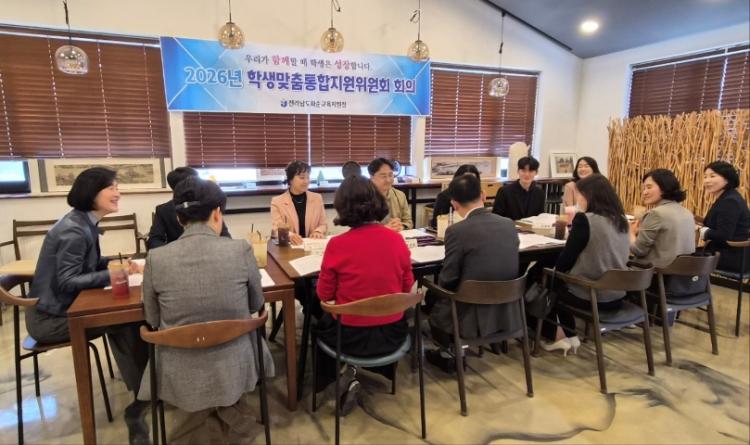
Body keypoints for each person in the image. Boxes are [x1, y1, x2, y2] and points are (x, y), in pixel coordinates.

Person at [141, 177, 273, 442]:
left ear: (179, 218)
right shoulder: (240, 250)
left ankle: (214, 414)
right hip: (236, 361)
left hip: (179, 369)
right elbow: (255, 304)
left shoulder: (156, 258)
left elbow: (152, 318)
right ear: (217, 213)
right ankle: (228, 411)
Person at [24, 167, 150, 444]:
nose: (118, 193)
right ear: (92, 193)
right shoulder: (74, 230)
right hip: (50, 319)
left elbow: (88, 264)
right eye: (111, 188)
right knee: (128, 318)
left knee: (128, 317)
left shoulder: (82, 222)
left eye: (117, 187)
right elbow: (68, 280)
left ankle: (143, 389)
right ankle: (143, 396)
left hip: (57, 309)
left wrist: (118, 262)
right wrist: (116, 273)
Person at [315, 175, 414, 415]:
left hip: (349, 338)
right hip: (393, 335)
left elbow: (324, 294)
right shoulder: (397, 240)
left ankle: (331, 379)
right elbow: (407, 286)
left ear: (342, 206)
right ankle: (373, 373)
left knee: (317, 320)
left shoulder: (337, 245)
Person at [426, 173, 520, 372]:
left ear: (454, 204)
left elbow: (448, 279)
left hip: (469, 315)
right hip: (508, 310)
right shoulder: (508, 224)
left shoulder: (457, 231)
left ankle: (449, 354)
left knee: (433, 298)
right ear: (483, 195)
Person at [540, 174, 630, 355]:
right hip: (617, 294)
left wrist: (553, 271)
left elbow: (566, 260)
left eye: (580, 194)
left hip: (592, 295)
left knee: (545, 280)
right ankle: (569, 335)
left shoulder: (585, 219)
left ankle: (561, 335)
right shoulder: (621, 219)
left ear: (590, 195)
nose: (578, 199)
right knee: (555, 278)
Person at [147, 166, 230, 249]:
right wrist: (177, 251)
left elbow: (225, 237)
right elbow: (154, 241)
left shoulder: (209, 205)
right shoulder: (163, 210)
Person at [630, 169, 695, 268]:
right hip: (684, 272)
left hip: (657, 272)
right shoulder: (687, 213)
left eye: (649, 187)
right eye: (644, 188)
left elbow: (638, 251)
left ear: (664, 187)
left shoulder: (656, 214)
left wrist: (630, 233)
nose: (644, 192)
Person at [699, 160, 750, 273]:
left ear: (727, 178)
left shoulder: (730, 201)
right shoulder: (728, 197)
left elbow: (724, 235)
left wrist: (703, 231)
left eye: (712, 176)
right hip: (727, 254)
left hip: (730, 258)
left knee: (682, 260)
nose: (707, 180)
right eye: (705, 176)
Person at [271, 160, 327, 245]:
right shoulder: (277, 202)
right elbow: (276, 229)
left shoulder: (317, 198)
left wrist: (318, 231)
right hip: (290, 247)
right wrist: (290, 235)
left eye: (308, 177)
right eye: (302, 178)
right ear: (290, 180)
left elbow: (323, 224)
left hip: (312, 245)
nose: (306, 181)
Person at [492, 156, 545, 221]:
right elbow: (496, 217)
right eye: (523, 171)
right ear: (518, 171)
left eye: (530, 171)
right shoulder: (504, 191)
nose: (527, 174)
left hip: (532, 227)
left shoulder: (540, 193)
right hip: (510, 227)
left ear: (536, 172)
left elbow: (540, 217)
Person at [368, 157, 413, 231]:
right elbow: (361, 229)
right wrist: (385, 228)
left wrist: (401, 226)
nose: (388, 180)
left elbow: (408, 222)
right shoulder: (364, 197)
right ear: (371, 177)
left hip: (397, 234)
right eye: (383, 176)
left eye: (390, 175)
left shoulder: (399, 195)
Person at [430, 164, 480, 228]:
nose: (470, 184)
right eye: (466, 180)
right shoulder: (444, 196)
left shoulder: (478, 195)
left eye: (473, 180)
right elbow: (436, 223)